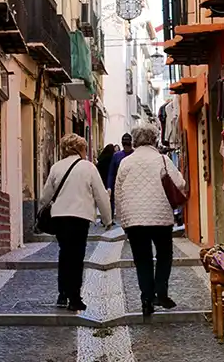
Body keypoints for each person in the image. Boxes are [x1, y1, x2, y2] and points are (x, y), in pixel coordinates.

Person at [114, 123, 186, 317]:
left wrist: (122, 218)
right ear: (154, 139)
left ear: (135, 140)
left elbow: (118, 193)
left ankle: (146, 299)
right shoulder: (162, 160)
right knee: (164, 254)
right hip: (160, 216)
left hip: (134, 219)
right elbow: (180, 183)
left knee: (142, 259)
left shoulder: (126, 162)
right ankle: (161, 291)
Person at [39, 134, 111, 312]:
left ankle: (62, 294)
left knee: (65, 255)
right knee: (77, 258)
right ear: (81, 149)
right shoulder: (88, 167)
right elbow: (100, 195)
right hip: (80, 218)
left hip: (60, 218)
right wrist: (107, 219)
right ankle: (75, 298)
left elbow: (44, 197)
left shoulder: (56, 167)